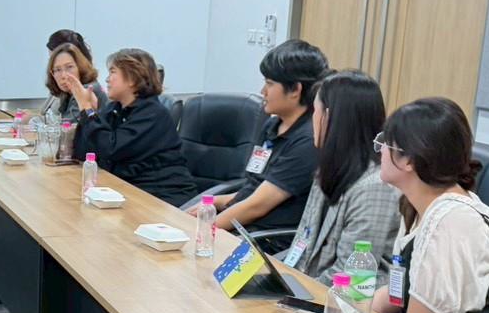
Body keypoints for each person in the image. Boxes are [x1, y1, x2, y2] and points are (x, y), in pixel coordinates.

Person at [369, 97, 489, 313]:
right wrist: (353, 311)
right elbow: (397, 292)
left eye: (386, 142)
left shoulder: (454, 222)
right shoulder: (416, 206)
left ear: (409, 160)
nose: (380, 150)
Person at [279, 70, 400, 283]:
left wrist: (295, 293)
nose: (312, 119)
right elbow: (303, 241)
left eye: (314, 111)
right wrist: (282, 278)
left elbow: (350, 274)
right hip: (309, 286)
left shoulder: (375, 188)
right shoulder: (329, 169)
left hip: (344, 297)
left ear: (328, 117)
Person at [214, 39, 330, 234]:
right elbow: (252, 188)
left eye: (269, 84)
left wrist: (203, 229)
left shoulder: (308, 140)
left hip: (266, 239)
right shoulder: (272, 125)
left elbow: (257, 206)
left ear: (295, 90)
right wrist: (212, 202)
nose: (263, 92)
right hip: (243, 226)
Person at [73, 48, 198, 207]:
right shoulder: (115, 109)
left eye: (112, 72)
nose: (107, 79)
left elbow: (111, 148)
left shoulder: (153, 114)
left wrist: (88, 110)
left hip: (163, 198)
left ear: (132, 78)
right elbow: (83, 152)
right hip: (128, 191)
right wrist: (90, 112)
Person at [43, 42, 106, 125]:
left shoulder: (86, 90)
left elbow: (67, 129)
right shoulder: (67, 93)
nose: (63, 75)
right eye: (58, 70)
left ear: (80, 68)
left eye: (69, 67)